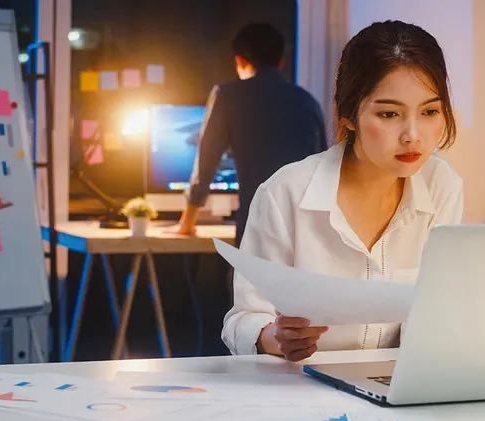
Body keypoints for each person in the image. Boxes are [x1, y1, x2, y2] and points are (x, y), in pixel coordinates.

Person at [222, 20, 464, 362]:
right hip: (301, 390)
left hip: (397, 390)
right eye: (389, 113)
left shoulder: (442, 186)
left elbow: (438, 312)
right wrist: (274, 337)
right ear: (347, 114)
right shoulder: (285, 193)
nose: (413, 135)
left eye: (429, 111)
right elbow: (243, 318)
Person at [173, 22, 327, 244]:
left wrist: (187, 223)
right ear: (281, 61)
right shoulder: (307, 101)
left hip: (257, 229)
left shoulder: (227, 96)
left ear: (240, 61)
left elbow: (206, 164)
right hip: (305, 234)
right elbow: (324, 170)